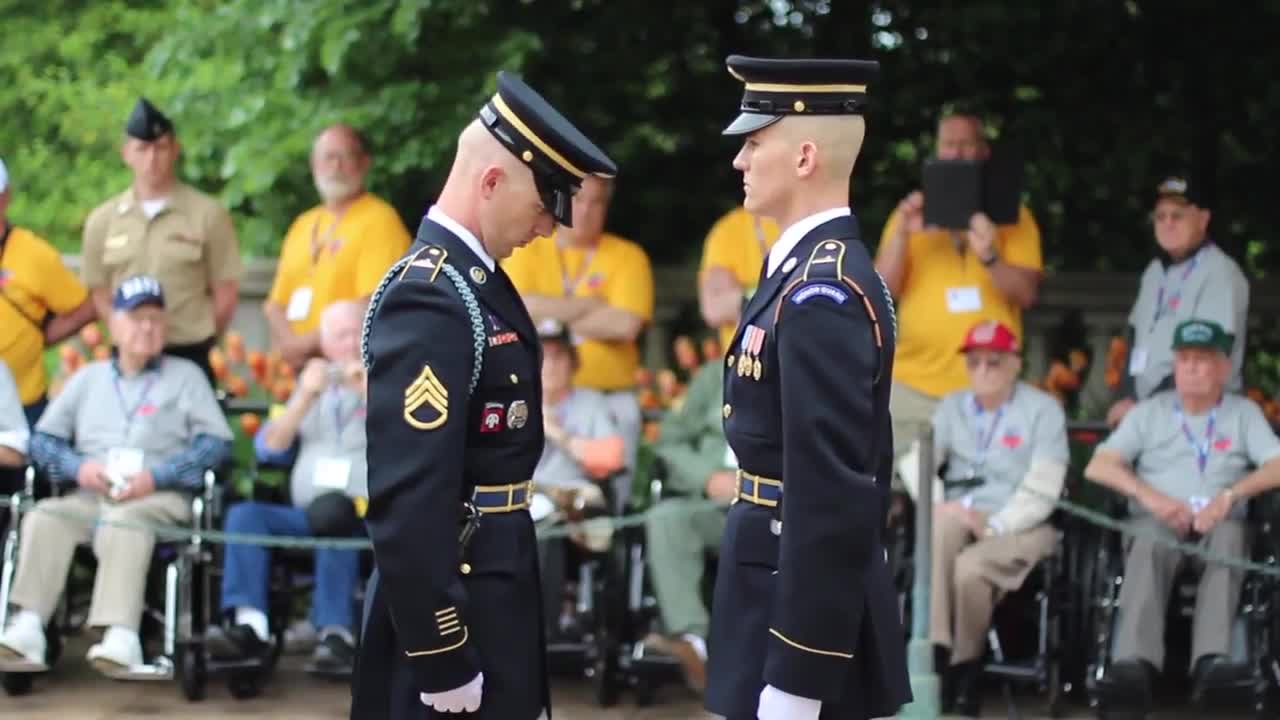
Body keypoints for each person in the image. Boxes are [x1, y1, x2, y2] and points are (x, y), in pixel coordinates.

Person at [351, 71, 617, 720]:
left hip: (495, 579)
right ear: (491, 182)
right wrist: (440, 651)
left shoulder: (474, 284)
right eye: (539, 206)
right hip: (456, 602)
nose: (546, 230)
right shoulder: (431, 295)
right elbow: (411, 498)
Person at [703, 55, 911, 720]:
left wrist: (800, 671)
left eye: (755, 142)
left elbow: (827, 488)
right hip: (770, 578)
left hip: (795, 607)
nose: (740, 159)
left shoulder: (822, 290)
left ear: (804, 158)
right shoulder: (798, 270)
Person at [0, 275, 232, 676]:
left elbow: (216, 446)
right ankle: (28, 626)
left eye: (156, 319)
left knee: (124, 520)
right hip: (92, 493)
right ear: (114, 324)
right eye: (137, 318)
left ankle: (122, 634)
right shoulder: (87, 378)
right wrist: (80, 469)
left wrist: (157, 476)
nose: (147, 327)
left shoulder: (186, 377)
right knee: (46, 515)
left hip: (158, 496)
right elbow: (43, 441)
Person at [1085, 318, 1280, 711]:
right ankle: (1133, 667)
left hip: (1218, 518)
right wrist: (1152, 498)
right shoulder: (1148, 413)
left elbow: (1277, 464)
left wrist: (1229, 497)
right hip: (1159, 517)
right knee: (1149, 541)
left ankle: (1213, 663)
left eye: (1203, 360)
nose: (1192, 367)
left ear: (1224, 367)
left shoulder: (1243, 413)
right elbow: (1098, 466)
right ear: (1174, 365)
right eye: (1185, 359)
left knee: (1229, 538)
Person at [897, 320, 1068, 717]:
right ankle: (936, 650)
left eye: (994, 362)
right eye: (974, 362)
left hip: (1023, 521)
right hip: (964, 511)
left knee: (970, 569)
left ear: (1015, 364)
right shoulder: (953, 406)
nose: (983, 371)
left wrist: (996, 525)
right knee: (939, 528)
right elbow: (915, 464)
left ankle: (964, 668)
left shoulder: (1043, 411)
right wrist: (943, 504)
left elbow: (1045, 485)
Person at [208, 300, 368, 675]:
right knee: (246, 515)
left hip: (367, 516)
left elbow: (407, 439)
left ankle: (335, 633)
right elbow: (269, 448)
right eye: (339, 336)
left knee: (334, 513)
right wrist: (304, 397)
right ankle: (249, 625)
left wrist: (367, 390)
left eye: (356, 333)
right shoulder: (308, 385)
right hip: (306, 513)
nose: (349, 344)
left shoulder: (393, 381)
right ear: (324, 345)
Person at [874, 112, 1044, 461]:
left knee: (983, 486)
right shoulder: (908, 212)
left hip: (987, 382)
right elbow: (881, 291)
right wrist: (903, 234)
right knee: (891, 485)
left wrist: (991, 257)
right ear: (937, 151)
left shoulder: (1015, 216)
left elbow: (1027, 294)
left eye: (967, 144)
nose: (957, 153)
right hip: (912, 384)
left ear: (983, 151)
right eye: (949, 144)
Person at [501, 175, 653, 509]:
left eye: (597, 202)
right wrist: (591, 306)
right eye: (580, 201)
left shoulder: (628, 256)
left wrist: (549, 312)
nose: (587, 211)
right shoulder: (530, 247)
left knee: (624, 417)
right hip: (539, 394)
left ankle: (611, 522)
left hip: (609, 397)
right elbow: (514, 309)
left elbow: (625, 324)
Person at [80, 98, 241, 384]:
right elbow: (100, 294)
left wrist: (199, 334)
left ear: (175, 150)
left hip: (189, 351)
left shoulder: (207, 214)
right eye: (142, 149)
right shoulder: (103, 220)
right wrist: (129, 336)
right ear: (126, 153)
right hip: (127, 357)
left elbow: (225, 293)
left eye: (161, 148)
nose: (152, 159)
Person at [263, 125, 412, 370]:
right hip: (296, 369)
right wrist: (289, 347)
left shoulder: (380, 220)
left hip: (350, 369)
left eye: (345, 157)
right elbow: (275, 305)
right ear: (313, 164)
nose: (336, 167)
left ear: (364, 163)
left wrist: (302, 345)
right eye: (328, 158)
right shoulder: (303, 223)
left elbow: (374, 301)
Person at [1106, 174, 1249, 428]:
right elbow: (1133, 337)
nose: (1167, 223)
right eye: (1160, 217)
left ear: (1203, 220)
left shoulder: (1221, 272)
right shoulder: (1154, 272)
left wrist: (1144, 409)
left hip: (1202, 416)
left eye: (1178, 216)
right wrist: (1128, 398)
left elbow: (1207, 353)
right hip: (1148, 413)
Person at [640, 356, 735, 694]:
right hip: (716, 507)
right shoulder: (716, 374)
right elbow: (669, 440)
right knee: (667, 517)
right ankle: (692, 643)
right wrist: (707, 477)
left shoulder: (811, 369)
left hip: (783, 513)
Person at [0, 156, 96, 425]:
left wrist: (39, 336)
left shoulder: (34, 254)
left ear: (5, 196)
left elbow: (85, 306)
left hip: (20, 405)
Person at [698, 206, 781, 352]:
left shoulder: (823, 218)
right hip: (746, 363)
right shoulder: (728, 231)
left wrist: (746, 297)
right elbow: (714, 308)